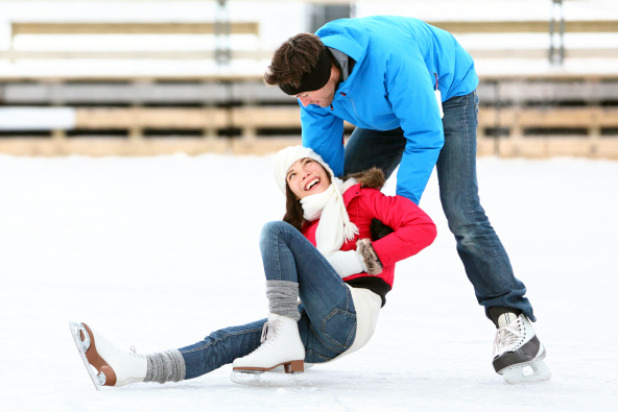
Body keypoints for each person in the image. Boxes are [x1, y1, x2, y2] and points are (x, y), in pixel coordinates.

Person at [264, 16, 550, 383]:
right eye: (298, 97)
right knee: (342, 197)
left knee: (463, 212)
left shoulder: (391, 59)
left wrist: (403, 207)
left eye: (307, 95)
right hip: (388, 109)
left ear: (330, 73)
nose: (305, 103)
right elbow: (326, 174)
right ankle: (332, 300)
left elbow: (425, 135)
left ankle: (513, 318)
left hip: (446, 94)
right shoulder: (310, 77)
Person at [69, 145, 436, 388]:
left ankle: (282, 334)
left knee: (273, 232)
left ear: (323, 166)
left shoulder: (362, 198)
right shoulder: (303, 232)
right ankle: (136, 368)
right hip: (324, 336)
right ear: (292, 192)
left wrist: (360, 259)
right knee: (225, 340)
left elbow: (424, 228)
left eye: (307, 162)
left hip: (354, 312)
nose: (303, 172)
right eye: (292, 175)